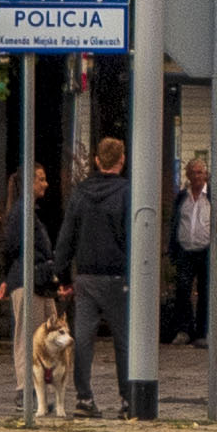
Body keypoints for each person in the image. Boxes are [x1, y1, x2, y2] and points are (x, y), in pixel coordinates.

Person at [61, 136, 137, 415]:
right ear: (122, 160)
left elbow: (67, 235)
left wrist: (63, 276)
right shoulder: (128, 193)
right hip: (118, 277)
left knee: (83, 339)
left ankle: (84, 398)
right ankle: (128, 399)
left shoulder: (80, 193)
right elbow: (132, 236)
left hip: (86, 277)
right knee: (123, 340)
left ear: (96, 160)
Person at [164, 151, 217, 348]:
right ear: (188, 175)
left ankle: (202, 332)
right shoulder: (182, 197)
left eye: (200, 172)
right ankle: (184, 330)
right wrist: (171, 246)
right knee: (182, 290)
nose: (197, 176)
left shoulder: (214, 197)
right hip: (185, 250)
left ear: (206, 175)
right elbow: (175, 221)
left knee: (205, 291)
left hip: (206, 250)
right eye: (193, 172)